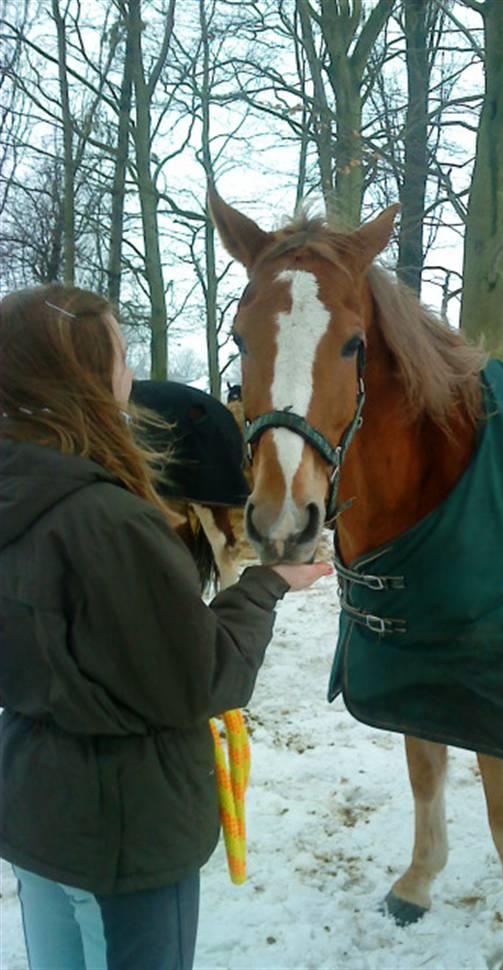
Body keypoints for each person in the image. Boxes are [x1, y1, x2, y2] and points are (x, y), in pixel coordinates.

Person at [0, 284, 331, 970]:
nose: (131, 374)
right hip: (124, 829)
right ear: (83, 377)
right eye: (121, 356)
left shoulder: (21, 494)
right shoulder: (108, 523)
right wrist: (267, 585)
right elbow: (199, 680)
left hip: (35, 810)